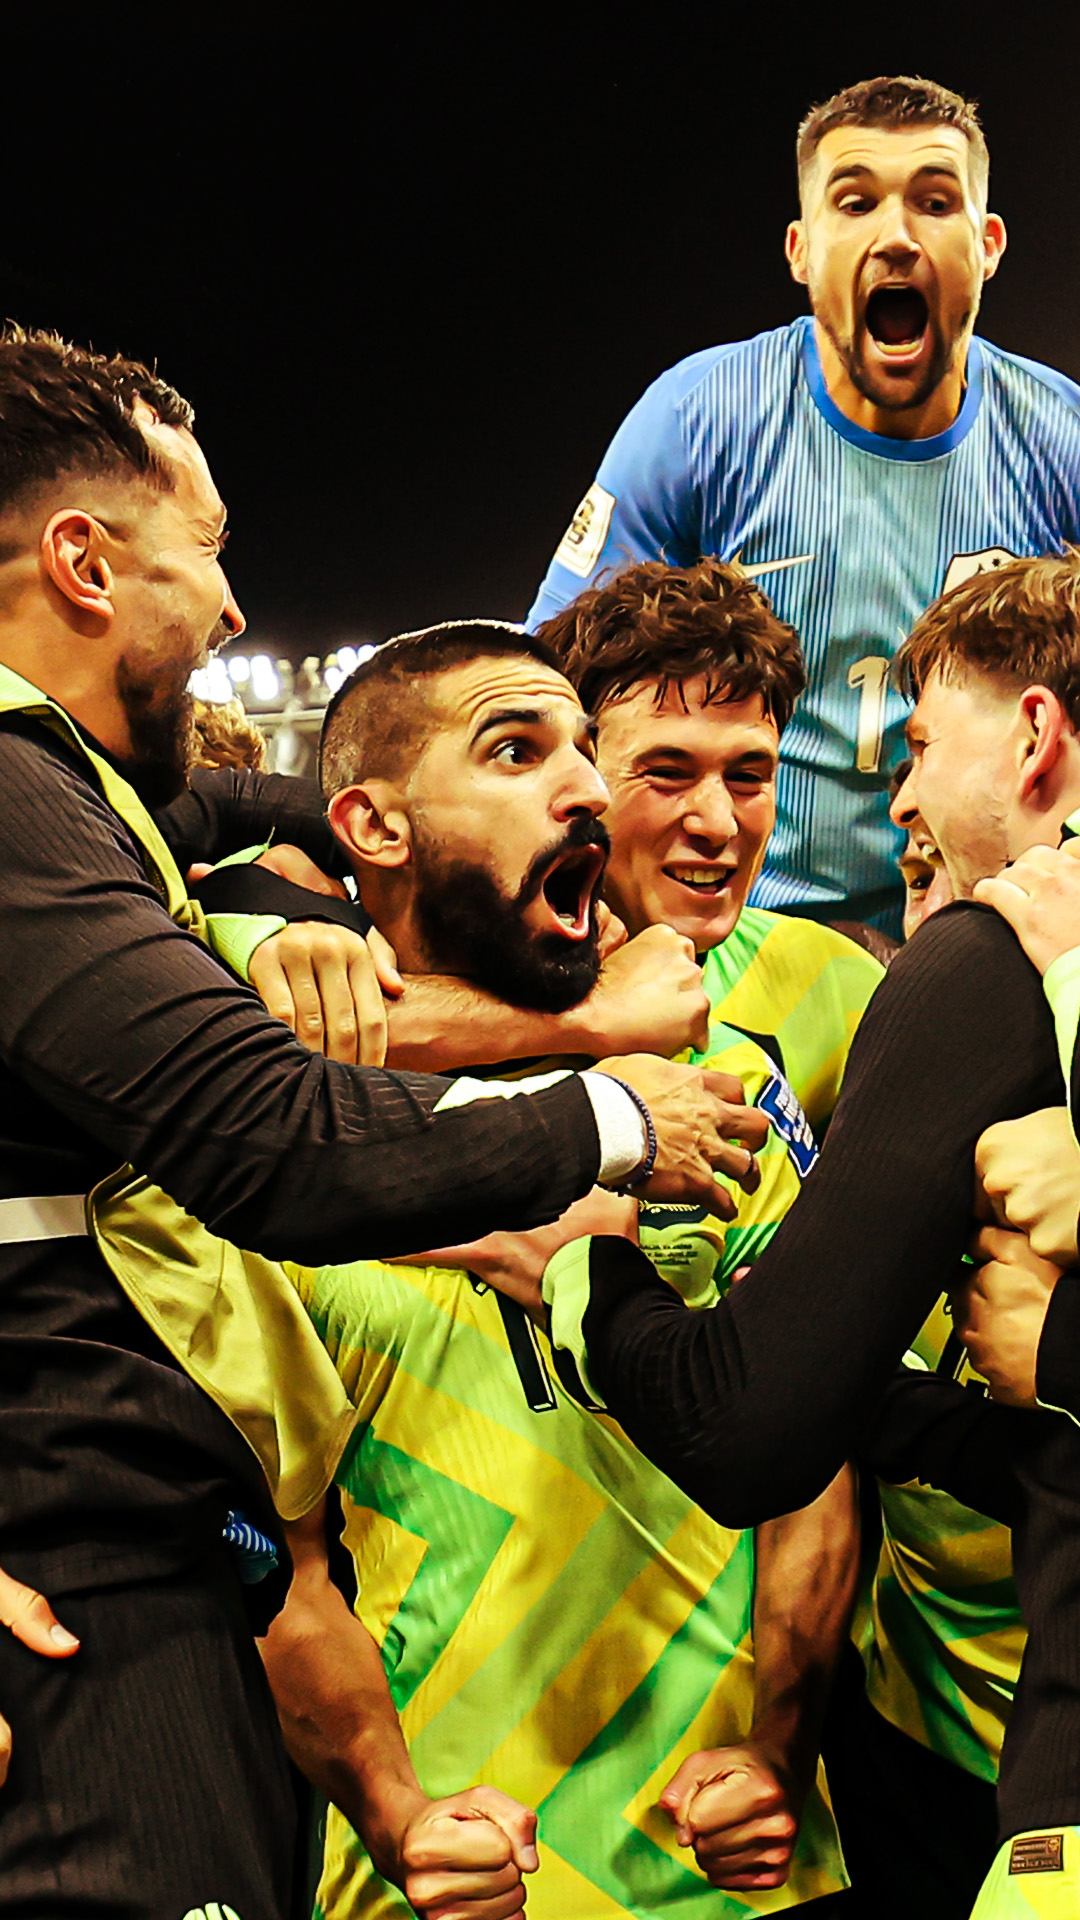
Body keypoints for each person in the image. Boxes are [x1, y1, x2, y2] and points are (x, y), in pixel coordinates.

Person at [0, 328, 751, 1917]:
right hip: (75, 1612)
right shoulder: (11, 808)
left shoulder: (86, 811)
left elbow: (230, 805)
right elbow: (276, 1143)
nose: (230, 605)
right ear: (81, 560)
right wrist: (606, 1101)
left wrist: (259, 904)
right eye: (202, 552)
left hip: (182, 1597)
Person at [260, 627, 855, 1920]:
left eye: (584, 751)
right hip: (451, 1881)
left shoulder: (720, 1088)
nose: (586, 785)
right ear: (373, 823)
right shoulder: (266, 1138)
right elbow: (283, 1575)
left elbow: (815, 1467)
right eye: (520, 752)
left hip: (729, 1865)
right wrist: (402, 1815)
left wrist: (777, 1748)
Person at [527, 74, 1080, 931]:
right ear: (800, 250)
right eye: (854, 203)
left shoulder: (1060, 437)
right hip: (741, 926)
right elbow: (547, 681)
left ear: (990, 242)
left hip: (986, 923)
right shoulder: (700, 416)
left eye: (936, 201)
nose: (896, 236)